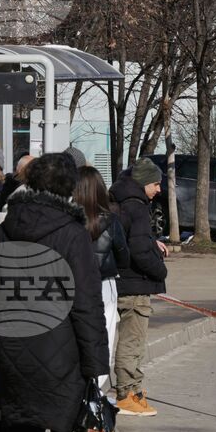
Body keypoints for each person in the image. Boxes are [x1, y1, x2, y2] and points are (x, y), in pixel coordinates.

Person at [0, 153, 108, 432]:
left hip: (12, 342)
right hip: (62, 347)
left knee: (20, 429)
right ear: (68, 189)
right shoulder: (72, 232)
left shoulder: (6, 225)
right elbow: (86, 301)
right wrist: (96, 361)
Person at [108, 158, 168, 417]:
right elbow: (140, 250)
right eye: (156, 184)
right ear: (143, 182)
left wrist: (152, 243)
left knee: (125, 340)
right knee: (132, 342)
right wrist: (160, 270)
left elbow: (138, 240)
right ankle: (127, 394)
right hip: (135, 284)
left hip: (119, 281)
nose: (159, 190)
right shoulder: (137, 207)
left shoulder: (120, 200)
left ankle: (131, 391)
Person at [75, 166, 130, 393]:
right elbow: (124, 257)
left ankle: (78, 393)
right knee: (103, 338)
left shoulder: (68, 220)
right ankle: (95, 394)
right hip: (104, 285)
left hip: (74, 284)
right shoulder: (111, 221)